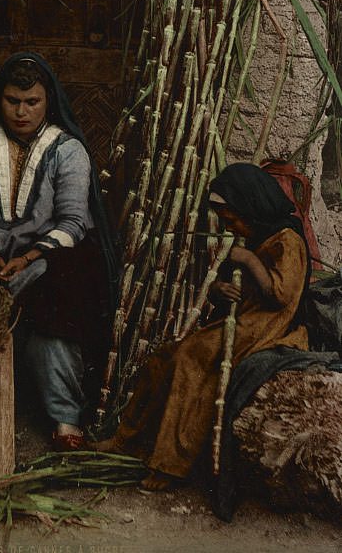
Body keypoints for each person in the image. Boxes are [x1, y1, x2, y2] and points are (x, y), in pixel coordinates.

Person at [0, 52, 118, 451]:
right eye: (12, 101)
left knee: (58, 303)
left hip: (45, 264)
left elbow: (73, 221)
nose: (21, 111)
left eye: (31, 102)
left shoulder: (67, 150)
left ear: (47, 101)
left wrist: (29, 258)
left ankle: (66, 419)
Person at [93, 162, 310, 490]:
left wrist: (249, 261)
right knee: (162, 358)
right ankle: (129, 441)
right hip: (240, 320)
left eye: (232, 218)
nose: (231, 227)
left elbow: (281, 295)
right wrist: (218, 290)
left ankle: (170, 465)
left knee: (191, 358)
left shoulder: (287, 239)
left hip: (267, 327)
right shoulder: (251, 238)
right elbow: (223, 287)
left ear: (250, 207)